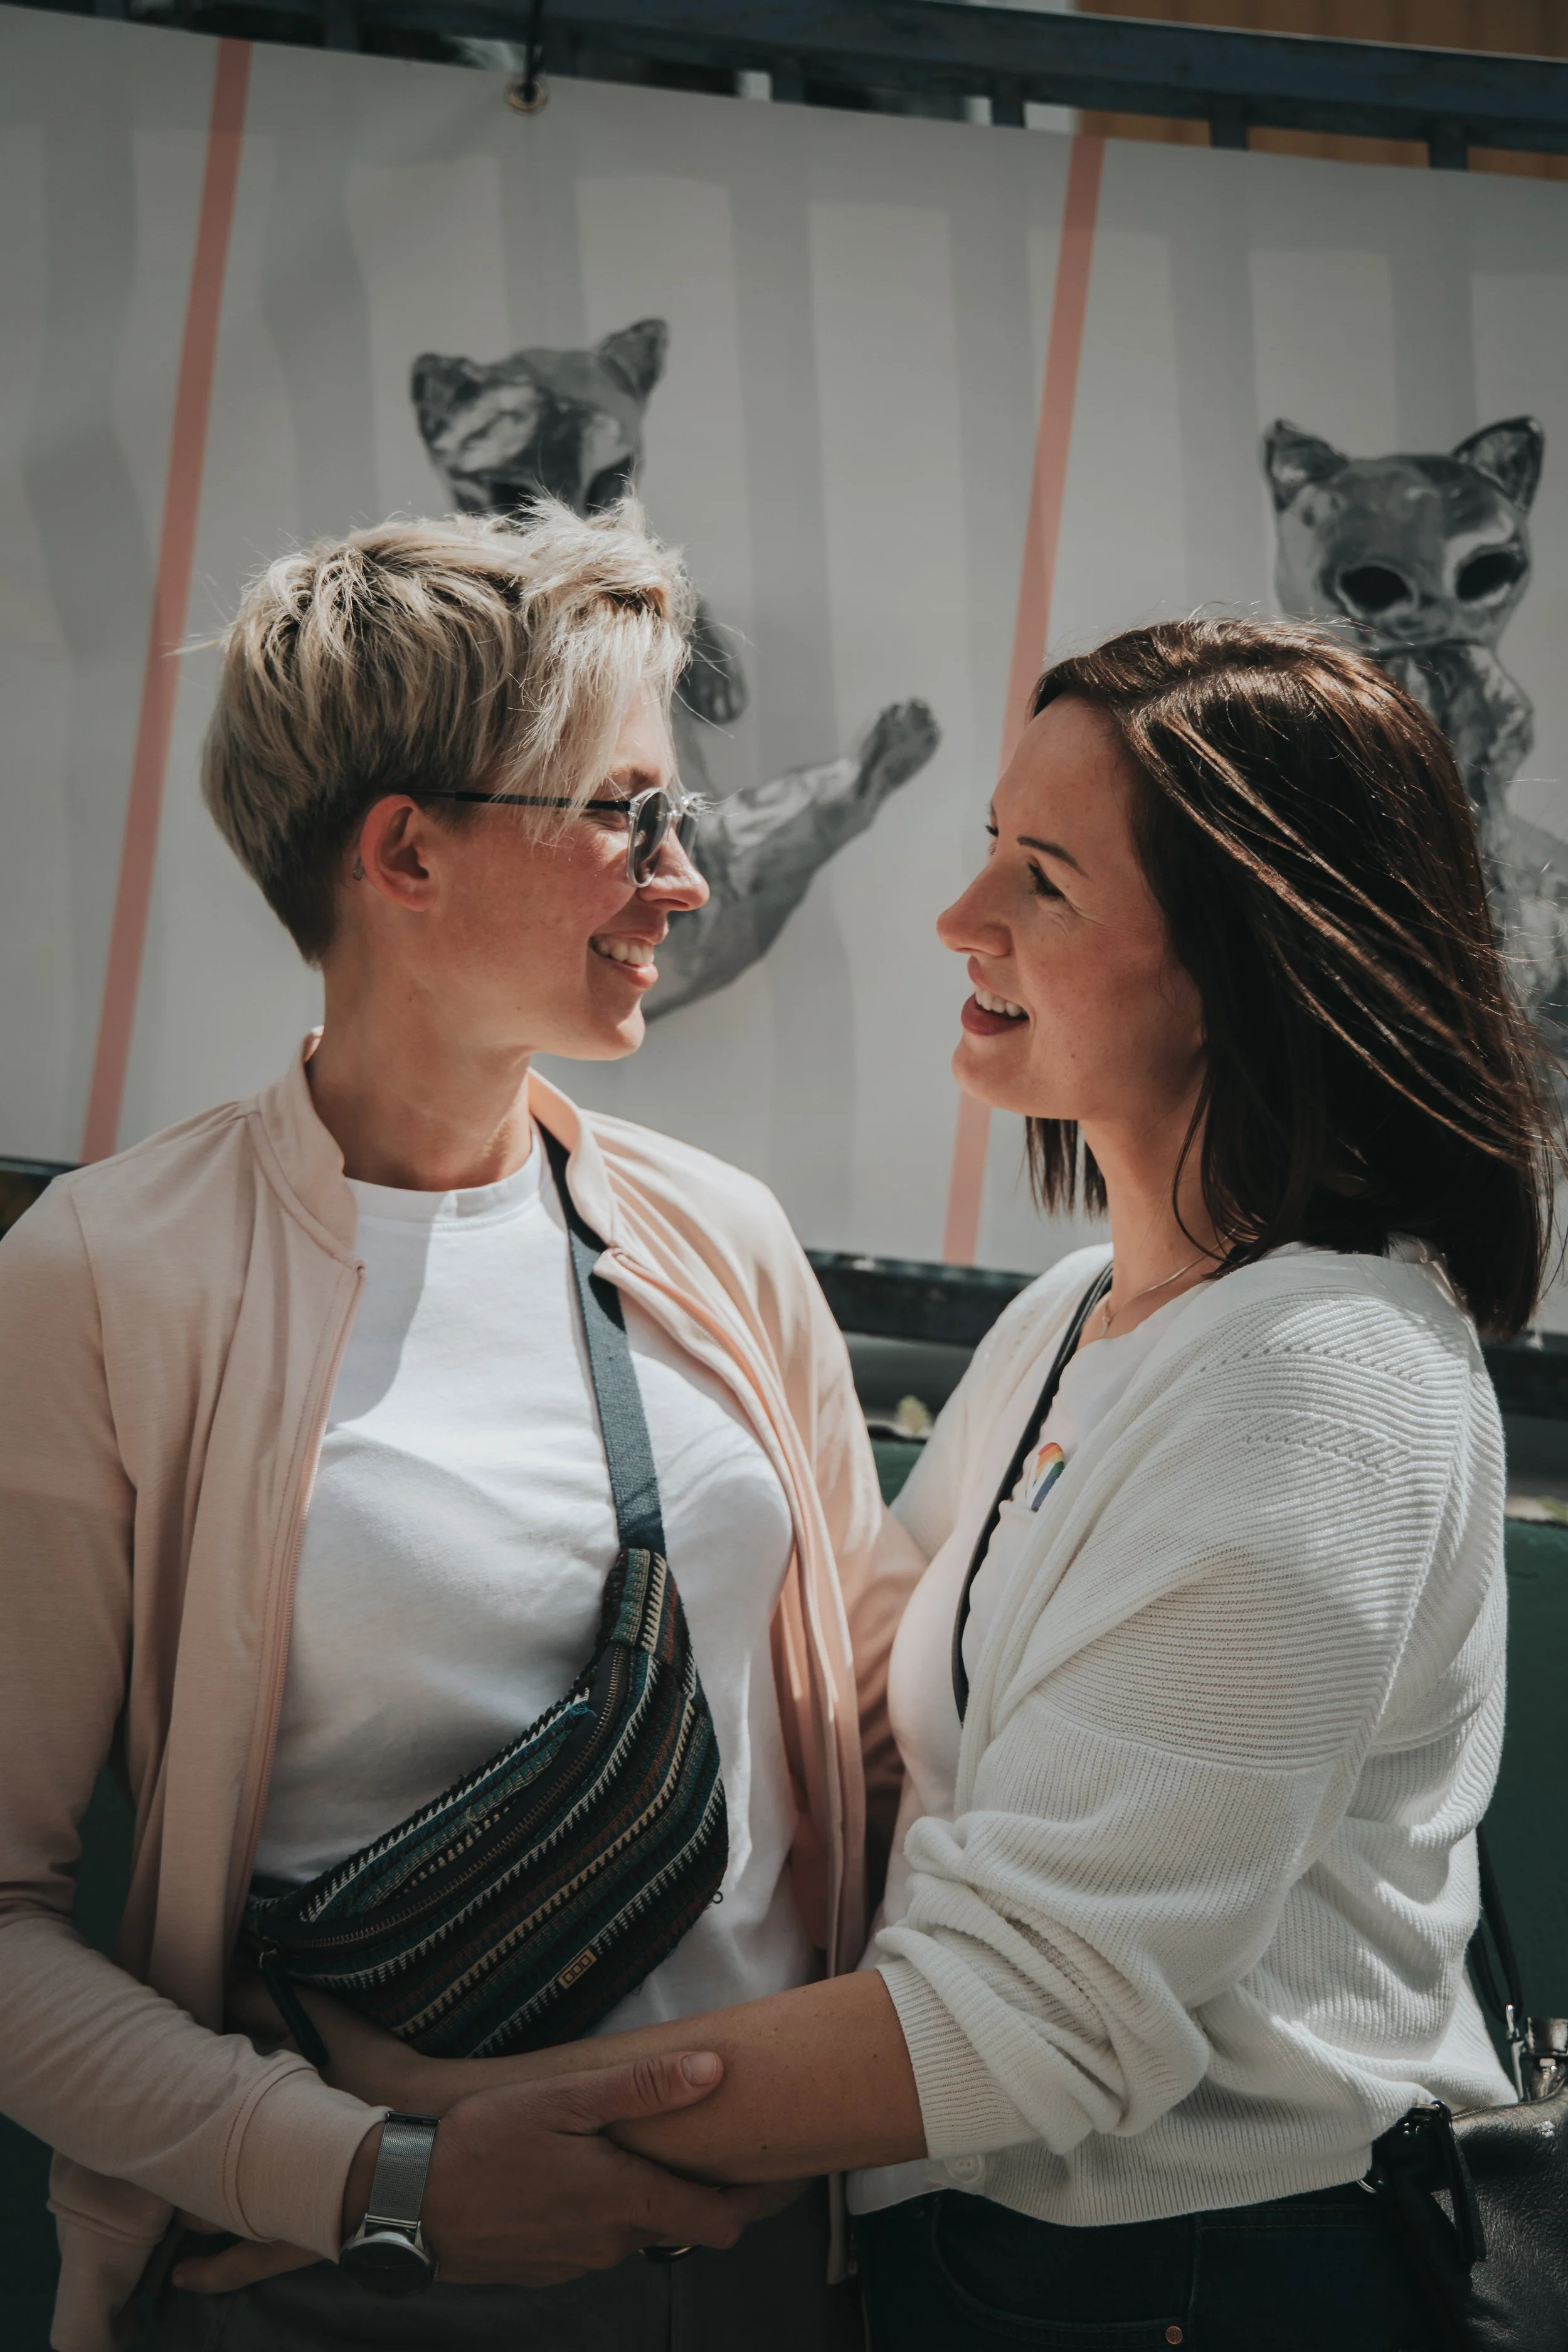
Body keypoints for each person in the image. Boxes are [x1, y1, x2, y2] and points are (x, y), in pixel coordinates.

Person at [208, 617, 1560, 2352]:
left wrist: (427, 2125)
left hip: (1204, 2282)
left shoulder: (1321, 1372)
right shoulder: (1083, 1314)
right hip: (998, 2270)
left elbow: (1041, 2014)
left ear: (1252, 959)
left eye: (1044, 880)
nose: (960, 915)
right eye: (992, 842)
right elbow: (865, 1715)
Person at [0, 501, 920, 2352]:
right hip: (359, 2288)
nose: (682, 880)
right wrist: (375, 2179)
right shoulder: (109, 1271)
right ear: (404, 850)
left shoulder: (722, 1238)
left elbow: (888, 1758)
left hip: (762, 2278)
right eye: (625, 813)